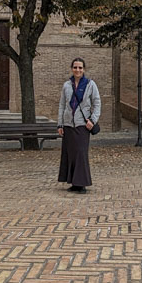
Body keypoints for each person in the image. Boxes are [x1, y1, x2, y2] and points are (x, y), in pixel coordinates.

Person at [57, 57, 101, 193]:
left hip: (83, 125)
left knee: (81, 153)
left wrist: (92, 120)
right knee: (70, 153)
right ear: (72, 69)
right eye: (75, 67)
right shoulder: (66, 85)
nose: (78, 70)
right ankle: (74, 182)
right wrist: (60, 124)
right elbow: (62, 105)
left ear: (84, 69)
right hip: (69, 125)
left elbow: (97, 103)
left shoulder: (90, 84)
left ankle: (82, 183)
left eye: (80, 67)